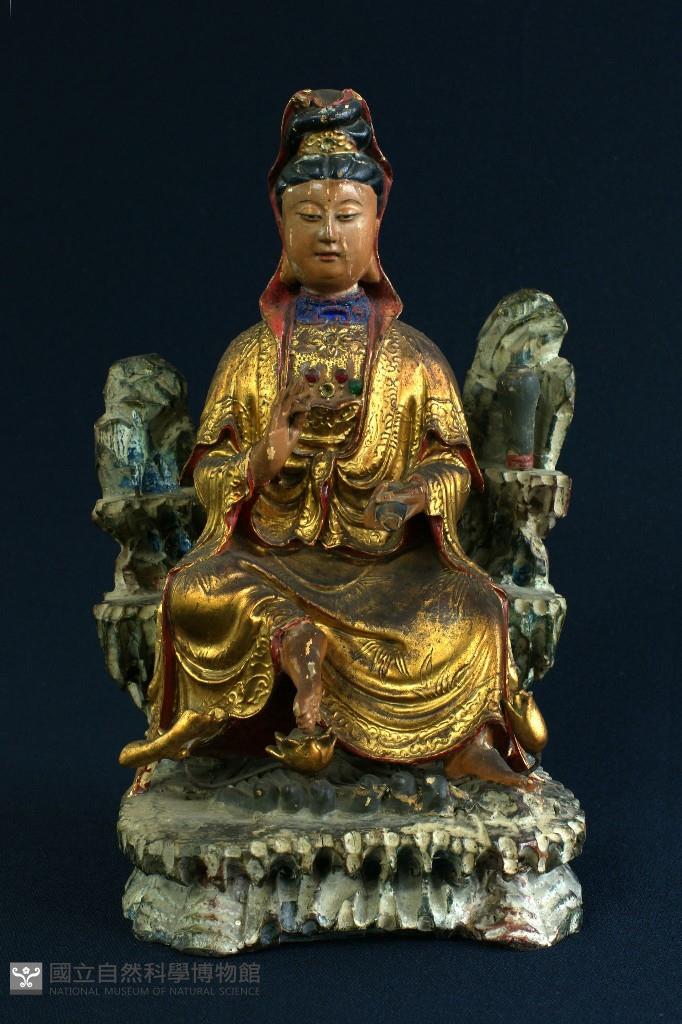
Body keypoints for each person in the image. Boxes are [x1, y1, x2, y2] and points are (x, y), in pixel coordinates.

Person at [119, 88, 543, 791]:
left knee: (472, 611)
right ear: (282, 226)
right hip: (271, 564)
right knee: (193, 591)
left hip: (386, 572)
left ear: (376, 226)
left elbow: (453, 465)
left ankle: (463, 741)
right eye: (309, 216)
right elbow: (209, 470)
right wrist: (260, 462)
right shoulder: (251, 357)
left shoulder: (414, 359)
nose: (328, 234)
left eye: (347, 215)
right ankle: (294, 648)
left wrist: (415, 494)